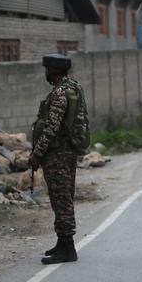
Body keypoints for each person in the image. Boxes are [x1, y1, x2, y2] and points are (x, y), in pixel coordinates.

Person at [29, 54, 90, 265]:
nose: (45, 73)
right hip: (65, 153)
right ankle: (62, 243)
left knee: (61, 199)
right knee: (62, 198)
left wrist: (37, 154)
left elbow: (51, 128)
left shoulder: (60, 93)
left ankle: (68, 248)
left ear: (52, 71)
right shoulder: (72, 87)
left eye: (47, 69)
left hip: (58, 155)